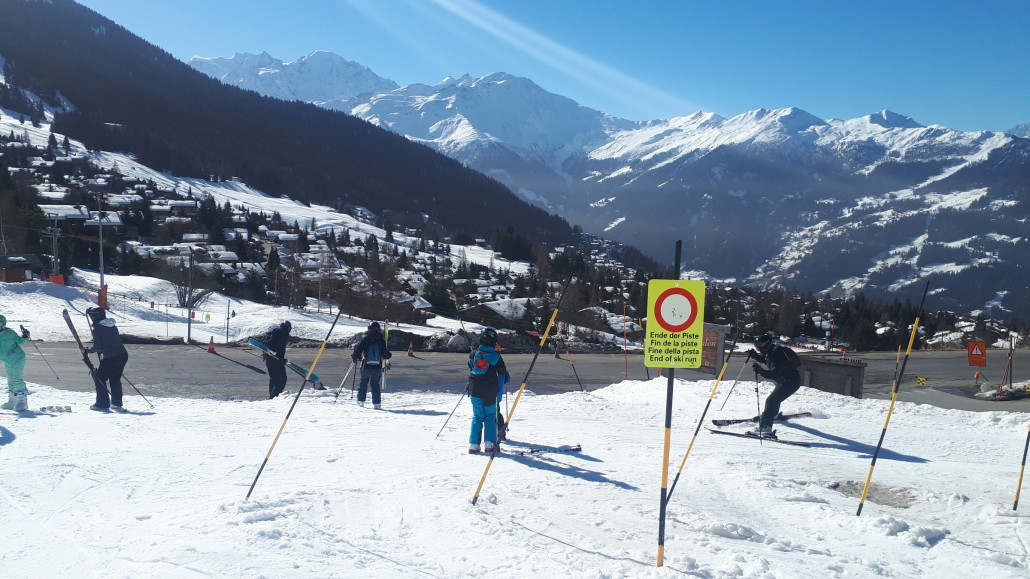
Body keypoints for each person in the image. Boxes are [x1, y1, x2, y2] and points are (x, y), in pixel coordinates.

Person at [748, 334, 802, 438]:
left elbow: (774, 374)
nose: (758, 350)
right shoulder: (774, 352)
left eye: (759, 348)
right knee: (775, 400)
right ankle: (772, 415)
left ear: (765, 346)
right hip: (786, 380)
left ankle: (766, 428)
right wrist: (755, 356)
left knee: (771, 400)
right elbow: (768, 361)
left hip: (790, 382)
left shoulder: (777, 355)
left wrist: (760, 371)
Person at [466, 327, 510, 454]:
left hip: (475, 390)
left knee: (477, 416)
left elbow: (471, 367)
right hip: (490, 391)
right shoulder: (496, 357)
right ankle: (490, 444)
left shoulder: (473, 355)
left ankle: (473, 445)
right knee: (490, 416)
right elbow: (503, 374)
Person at [85, 307, 129, 412]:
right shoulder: (112, 326)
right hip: (122, 355)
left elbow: (97, 346)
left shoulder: (97, 329)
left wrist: (87, 351)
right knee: (115, 379)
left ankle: (102, 404)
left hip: (111, 357)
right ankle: (116, 403)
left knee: (100, 378)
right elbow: (109, 341)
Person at [351, 321, 392, 409]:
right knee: (375, 384)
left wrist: (355, 357)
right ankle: (377, 404)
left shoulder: (366, 339)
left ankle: (361, 401)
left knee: (363, 383)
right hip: (377, 367)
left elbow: (357, 351)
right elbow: (386, 354)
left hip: (365, 366)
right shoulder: (381, 340)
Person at [0, 314, 31, 412]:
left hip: (18, 358)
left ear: (3, 324)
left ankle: (22, 402)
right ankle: (12, 401)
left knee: (17, 380)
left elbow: (20, 341)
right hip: (7, 360)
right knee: (10, 381)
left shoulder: (10, 333)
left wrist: (25, 336)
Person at [262, 321, 292, 399]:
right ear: (288, 328)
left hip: (268, 360)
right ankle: (273, 398)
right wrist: (281, 359)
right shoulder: (282, 334)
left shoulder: (273, 332)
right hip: (276, 361)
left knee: (273, 379)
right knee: (282, 381)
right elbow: (280, 348)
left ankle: (271, 397)